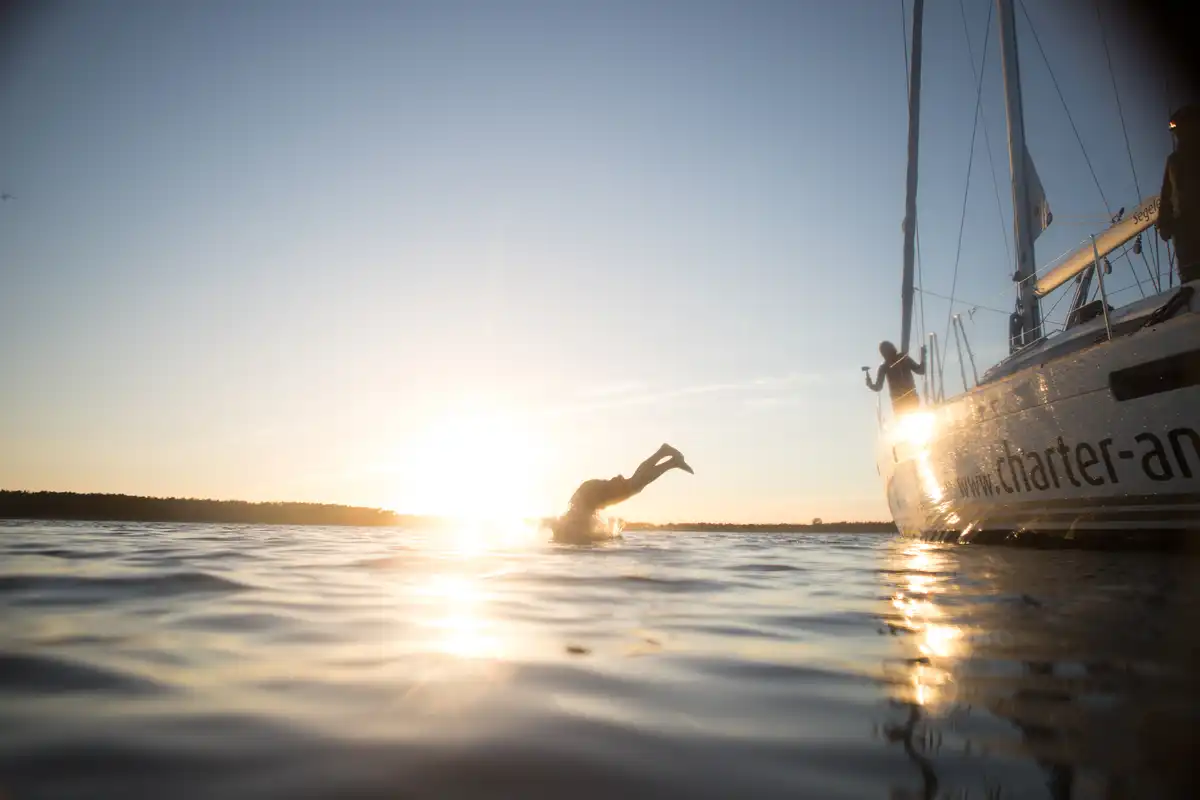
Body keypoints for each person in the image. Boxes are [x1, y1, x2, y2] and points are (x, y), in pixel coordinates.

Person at [551, 444, 693, 543]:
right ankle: (671, 462)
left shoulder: (571, 530)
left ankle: (664, 453)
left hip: (590, 494)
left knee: (633, 485)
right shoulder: (570, 528)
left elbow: (594, 534)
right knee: (634, 486)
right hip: (589, 494)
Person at [1157, 104, 1200, 285]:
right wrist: (1164, 221)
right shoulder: (1173, 160)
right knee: (1190, 275)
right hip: (1184, 227)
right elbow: (1167, 194)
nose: (1175, 134)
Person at [866, 341, 926, 413]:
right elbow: (878, 387)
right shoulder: (885, 366)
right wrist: (869, 383)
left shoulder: (903, 359)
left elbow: (921, 371)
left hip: (908, 400)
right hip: (901, 403)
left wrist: (923, 356)